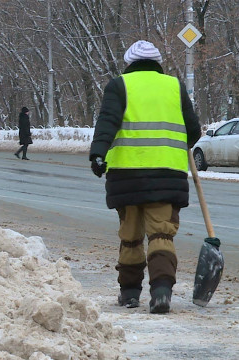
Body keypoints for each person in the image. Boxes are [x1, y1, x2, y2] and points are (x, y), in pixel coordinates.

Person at [89, 40, 201, 314]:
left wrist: (98, 154)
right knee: (162, 235)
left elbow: (108, 121)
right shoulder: (175, 86)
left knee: (131, 237)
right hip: (167, 175)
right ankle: (161, 292)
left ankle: (129, 294)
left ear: (130, 63)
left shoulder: (119, 85)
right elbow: (193, 131)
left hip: (126, 176)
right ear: (157, 63)